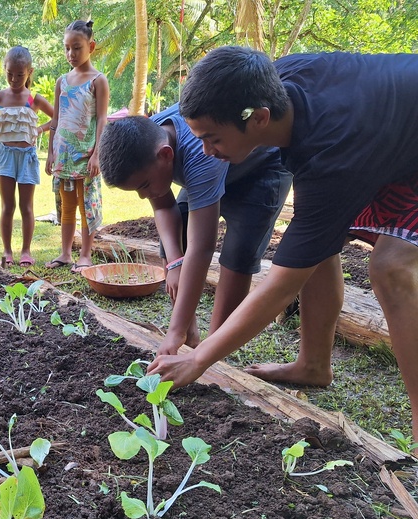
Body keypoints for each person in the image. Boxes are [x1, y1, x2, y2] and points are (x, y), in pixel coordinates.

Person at [150, 46, 418, 441]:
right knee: (316, 244)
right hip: (386, 136)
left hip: (389, 142)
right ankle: (313, 364)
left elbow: (281, 287)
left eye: (212, 138)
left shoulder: (333, 155)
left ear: (258, 119)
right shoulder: (277, 81)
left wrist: (199, 358)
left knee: (391, 267)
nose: (207, 151)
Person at [98, 108, 291, 354]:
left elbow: (202, 248)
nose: (143, 195)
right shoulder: (148, 140)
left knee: (238, 253)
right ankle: (189, 337)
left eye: (144, 186)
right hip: (209, 170)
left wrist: (172, 331)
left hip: (260, 168)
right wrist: (175, 262)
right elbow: (165, 208)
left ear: (166, 155)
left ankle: (213, 350)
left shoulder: (198, 155)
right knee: (173, 246)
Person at [44, 20, 109, 274]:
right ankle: (65, 252)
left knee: (87, 206)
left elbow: (102, 119)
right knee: (66, 205)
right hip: (63, 154)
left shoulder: (98, 80)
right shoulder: (62, 81)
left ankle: (85, 254)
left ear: (91, 46)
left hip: (85, 154)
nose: (71, 54)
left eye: (77, 48)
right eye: (67, 48)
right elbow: (56, 119)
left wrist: (97, 154)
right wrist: (50, 151)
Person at [0, 46, 54, 268]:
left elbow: (57, 118)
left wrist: (39, 130)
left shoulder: (33, 99)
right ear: (4, 70)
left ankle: (26, 250)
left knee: (27, 207)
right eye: (9, 74)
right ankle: (7, 250)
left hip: (27, 157)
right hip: (6, 156)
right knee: (7, 206)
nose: (14, 79)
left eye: (20, 75)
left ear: (29, 72)